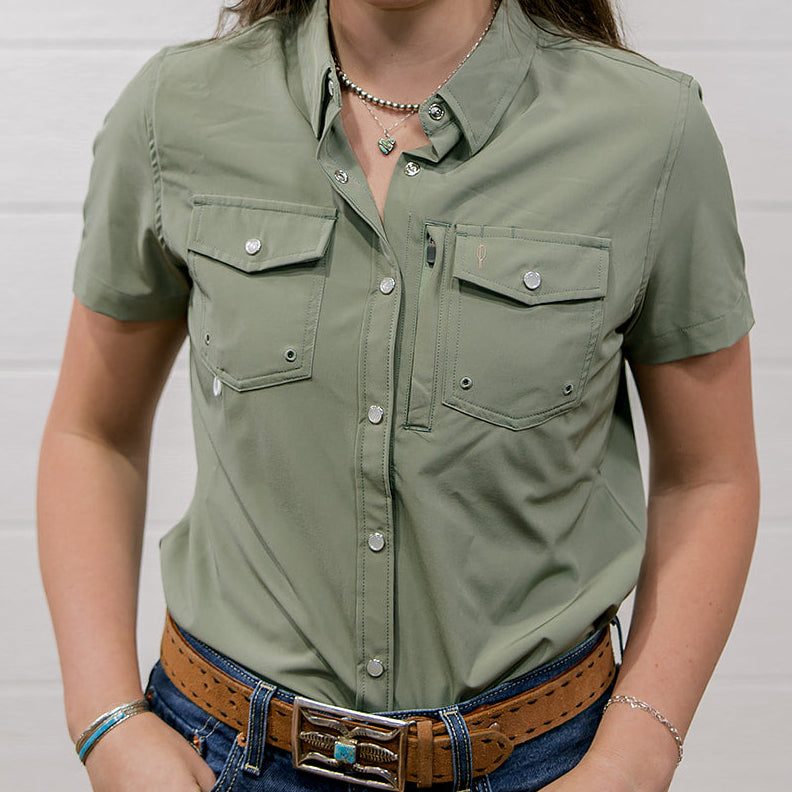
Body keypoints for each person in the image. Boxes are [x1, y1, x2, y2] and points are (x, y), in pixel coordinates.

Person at [37, 1, 760, 791]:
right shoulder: (175, 111)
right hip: (221, 758)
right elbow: (92, 432)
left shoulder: (651, 132)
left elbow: (709, 477)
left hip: (545, 765)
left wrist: (635, 756)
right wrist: (104, 720)